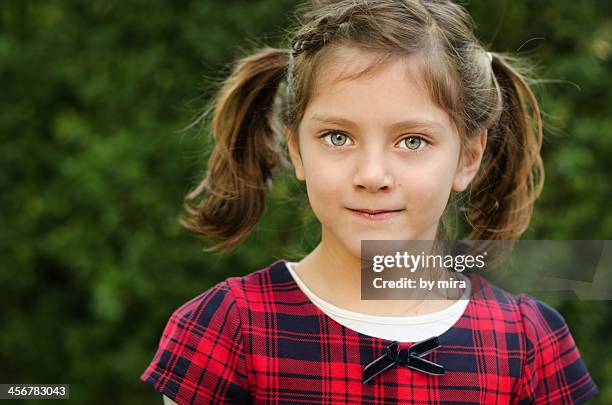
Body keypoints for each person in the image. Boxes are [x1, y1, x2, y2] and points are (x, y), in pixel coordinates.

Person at [140, 0, 599, 403]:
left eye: (413, 141)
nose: (372, 175)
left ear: (468, 157)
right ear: (296, 149)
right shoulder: (227, 331)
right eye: (338, 137)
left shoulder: (529, 344)